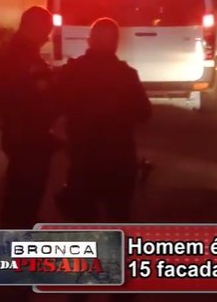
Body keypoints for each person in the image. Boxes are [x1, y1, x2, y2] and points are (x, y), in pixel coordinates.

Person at [56, 18, 150, 302]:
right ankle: (118, 291)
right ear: (116, 44)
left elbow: (55, 104)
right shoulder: (127, 75)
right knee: (118, 223)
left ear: (89, 41)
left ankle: (78, 291)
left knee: (82, 226)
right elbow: (144, 113)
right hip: (119, 161)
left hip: (84, 160)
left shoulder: (73, 72)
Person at [0, 6, 59, 230]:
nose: (47, 37)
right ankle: (18, 241)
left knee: (20, 193)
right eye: (46, 30)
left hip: (20, 134)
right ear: (34, 27)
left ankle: (17, 237)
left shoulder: (15, 51)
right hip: (28, 137)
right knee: (25, 195)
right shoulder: (22, 56)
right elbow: (34, 96)